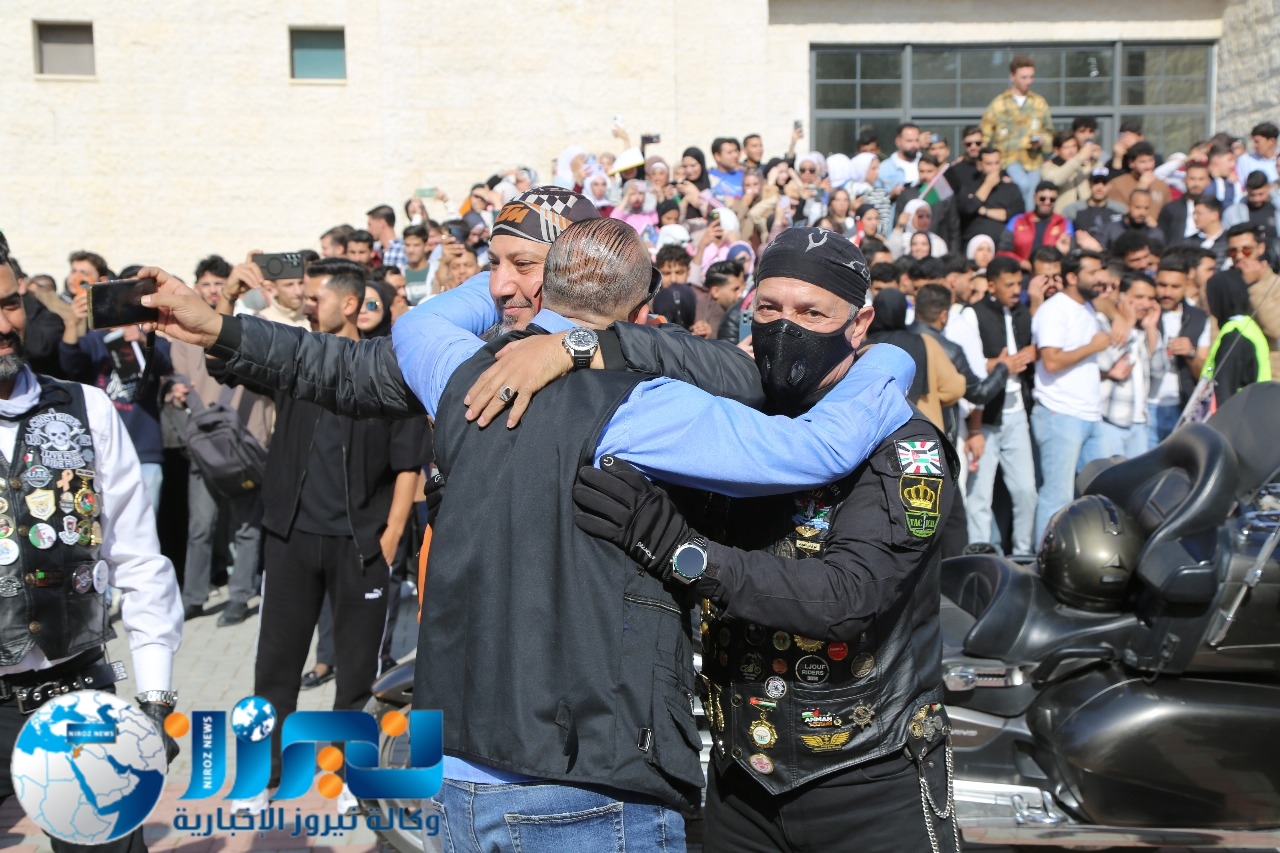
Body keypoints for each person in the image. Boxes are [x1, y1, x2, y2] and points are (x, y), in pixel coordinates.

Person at [388, 221, 920, 850]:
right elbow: (814, 451)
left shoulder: (454, 369)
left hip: (455, 766)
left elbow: (419, 322)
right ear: (644, 314)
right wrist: (893, 357)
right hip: (583, 774)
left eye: (809, 312)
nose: (785, 327)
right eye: (769, 309)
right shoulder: (641, 406)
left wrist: (532, 294)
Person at [211, 257, 431, 813]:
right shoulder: (296, 361)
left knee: (357, 674)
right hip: (290, 535)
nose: (307, 305)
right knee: (274, 668)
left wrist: (391, 535)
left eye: (316, 298)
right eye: (305, 297)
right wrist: (231, 296)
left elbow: (409, 462)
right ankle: (261, 778)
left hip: (361, 544)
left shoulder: (390, 370)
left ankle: (350, 778)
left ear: (349, 303)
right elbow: (224, 356)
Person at [0, 237, 182, 853]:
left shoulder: (88, 408)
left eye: (9, 305)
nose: (4, 326)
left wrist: (154, 697)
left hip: (76, 695)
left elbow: (138, 557)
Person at [172, 257, 273, 626]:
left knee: (246, 526)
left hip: (246, 441)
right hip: (206, 442)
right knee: (201, 526)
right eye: (207, 284)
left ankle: (240, 596)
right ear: (196, 288)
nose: (213, 290)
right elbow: (182, 380)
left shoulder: (253, 327)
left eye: (220, 283)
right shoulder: (183, 334)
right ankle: (193, 596)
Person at [59, 280, 173, 514]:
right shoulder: (95, 341)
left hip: (144, 449)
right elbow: (69, 363)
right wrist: (73, 322)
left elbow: (165, 364)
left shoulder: (152, 340)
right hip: (101, 449)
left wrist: (141, 339)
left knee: (144, 521)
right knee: (100, 520)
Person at [1030, 249, 1111, 542]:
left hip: (1090, 413)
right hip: (1059, 413)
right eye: (1093, 272)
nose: (1100, 278)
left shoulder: (1087, 306)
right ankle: (1042, 558)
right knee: (1057, 496)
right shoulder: (1054, 310)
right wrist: (1093, 346)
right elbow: (1051, 361)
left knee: (1100, 492)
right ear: (1073, 277)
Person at [968, 256, 1037, 553]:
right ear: (991, 285)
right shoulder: (973, 314)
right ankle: (979, 557)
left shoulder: (1022, 313)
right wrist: (1000, 365)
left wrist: (1033, 353)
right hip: (984, 418)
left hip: (1017, 414)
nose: (1016, 290)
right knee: (980, 495)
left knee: (1026, 491)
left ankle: (1023, 554)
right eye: (1009, 284)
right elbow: (969, 364)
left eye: (1019, 284)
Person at [866, 287, 965, 430]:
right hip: (922, 430)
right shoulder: (926, 342)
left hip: (877, 433)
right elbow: (955, 388)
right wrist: (932, 400)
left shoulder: (863, 347)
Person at [1095, 273, 1164, 458]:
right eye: (1139, 297)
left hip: (1140, 422)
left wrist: (1151, 329)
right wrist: (1127, 324)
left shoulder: (1145, 330)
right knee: (1109, 474)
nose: (1146, 304)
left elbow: (1159, 371)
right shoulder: (1104, 323)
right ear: (1121, 296)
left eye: (1150, 298)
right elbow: (1105, 362)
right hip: (1109, 420)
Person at [1146, 254, 1210, 447]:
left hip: (1181, 407)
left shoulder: (1199, 318)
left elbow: (1203, 373)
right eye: (1162, 285)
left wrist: (1190, 353)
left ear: (1186, 285)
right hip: (1144, 407)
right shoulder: (1144, 312)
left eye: (1175, 287)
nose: (1167, 292)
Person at [981, 55, 1054, 210]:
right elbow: (985, 135)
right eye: (1024, 77)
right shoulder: (998, 104)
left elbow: (1050, 132)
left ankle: (1026, 222)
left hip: (1033, 161)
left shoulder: (1039, 102)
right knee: (1022, 184)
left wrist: (1042, 140)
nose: (1028, 81)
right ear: (1012, 77)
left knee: (1033, 195)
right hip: (1008, 161)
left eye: (1031, 77)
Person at [999, 181, 1073, 269]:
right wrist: (1022, 263)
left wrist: (1060, 252)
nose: (1047, 202)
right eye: (1042, 198)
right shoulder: (1017, 221)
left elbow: (1070, 253)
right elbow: (1002, 252)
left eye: (1052, 199)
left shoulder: (1064, 223)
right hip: (1021, 271)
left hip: (1051, 272)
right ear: (1034, 197)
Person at [959, 146, 1025, 245]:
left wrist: (984, 211)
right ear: (979, 165)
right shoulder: (969, 187)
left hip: (1002, 244)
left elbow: (1015, 213)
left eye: (997, 163)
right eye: (989, 164)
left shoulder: (1011, 188)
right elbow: (968, 208)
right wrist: (988, 184)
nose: (994, 168)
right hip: (974, 244)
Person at [1107, 142, 1172, 220]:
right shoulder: (1117, 184)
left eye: (1151, 160)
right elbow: (1117, 213)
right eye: (1142, 162)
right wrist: (1141, 188)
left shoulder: (1162, 185)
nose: (1148, 166)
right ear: (1131, 163)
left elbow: (1168, 215)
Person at [1158, 160, 1213, 244]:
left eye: (1201, 179)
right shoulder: (1171, 208)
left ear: (1208, 181)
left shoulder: (1214, 207)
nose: (1196, 184)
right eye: (1192, 179)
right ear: (1185, 180)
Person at [876, 122, 922, 199]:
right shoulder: (883, 169)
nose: (914, 145)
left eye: (917, 140)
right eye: (909, 141)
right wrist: (891, 195)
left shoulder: (927, 164)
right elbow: (876, 201)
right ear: (898, 141)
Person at [367, 204, 406, 271]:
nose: (368, 230)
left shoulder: (404, 248)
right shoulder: (376, 251)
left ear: (382, 223)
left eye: (370, 225)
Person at [709, 137, 745, 204]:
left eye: (736, 151)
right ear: (717, 156)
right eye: (729, 152)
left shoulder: (745, 176)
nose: (735, 155)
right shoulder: (708, 176)